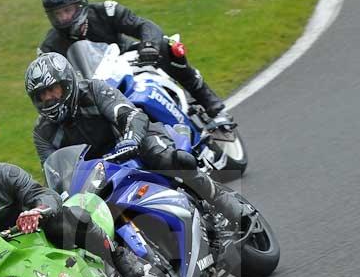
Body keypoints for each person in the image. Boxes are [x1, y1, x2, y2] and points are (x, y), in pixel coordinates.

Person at [25, 53, 246, 223]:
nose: (49, 99)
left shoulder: (94, 90)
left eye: (53, 90)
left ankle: (224, 202)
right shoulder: (42, 132)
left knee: (170, 160)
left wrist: (130, 139)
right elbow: (53, 172)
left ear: (67, 84)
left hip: (134, 141)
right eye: (41, 95)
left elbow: (129, 114)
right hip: (97, 173)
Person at [0, 130, 145, 277]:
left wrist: (38, 211)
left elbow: (42, 194)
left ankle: (117, 255)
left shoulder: (4, 175)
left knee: (65, 217)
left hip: (35, 236)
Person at [38, 0, 226, 118]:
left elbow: (144, 25)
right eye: (57, 14)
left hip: (128, 59)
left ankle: (206, 97)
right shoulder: (49, 47)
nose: (63, 18)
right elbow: (49, 82)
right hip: (94, 86)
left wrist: (149, 46)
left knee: (169, 46)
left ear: (80, 6)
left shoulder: (105, 11)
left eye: (67, 11)